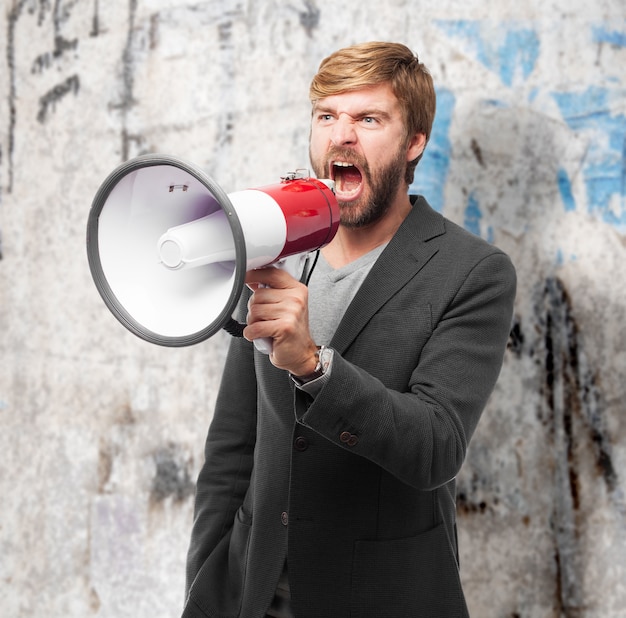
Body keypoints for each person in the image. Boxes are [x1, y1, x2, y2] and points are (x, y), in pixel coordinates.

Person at [182, 41, 516, 618]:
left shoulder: (472, 272)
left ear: (414, 142)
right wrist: (205, 584)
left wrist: (314, 365)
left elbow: (435, 447)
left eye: (368, 119)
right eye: (327, 116)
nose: (342, 135)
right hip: (252, 596)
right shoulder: (273, 247)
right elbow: (233, 444)